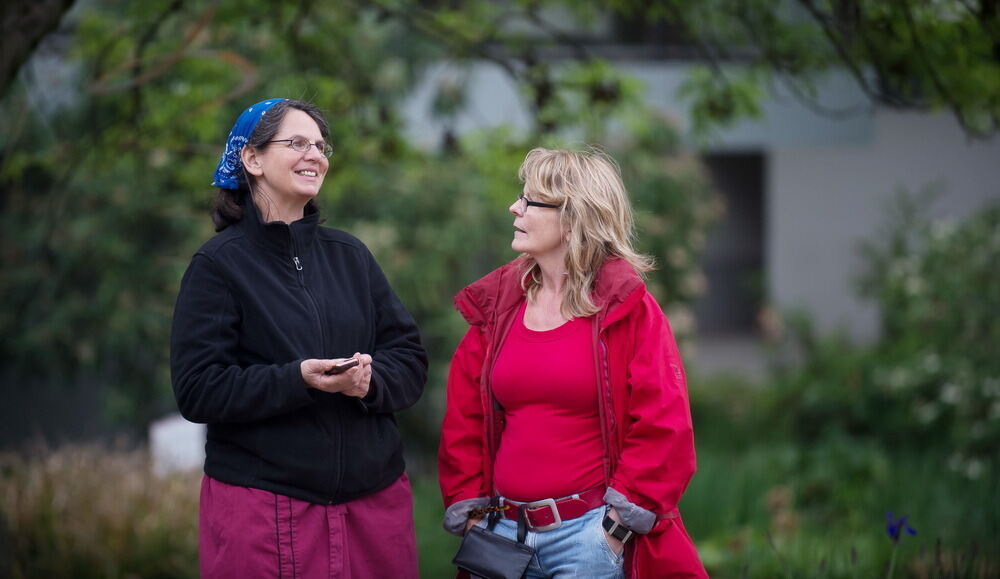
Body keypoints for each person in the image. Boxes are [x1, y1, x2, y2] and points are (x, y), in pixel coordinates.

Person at [171, 98, 427, 578]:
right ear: (253, 159)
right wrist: (298, 380)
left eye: (320, 145)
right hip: (265, 508)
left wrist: (368, 382)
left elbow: (409, 359)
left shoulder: (351, 256)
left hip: (373, 509)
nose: (315, 155)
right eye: (297, 143)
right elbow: (198, 389)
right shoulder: (218, 266)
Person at [438, 147, 707, 578]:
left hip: (588, 539)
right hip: (501, 536)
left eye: (529, 201)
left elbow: (664, 424)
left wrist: (614, 529)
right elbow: (464, 419)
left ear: (574, 216)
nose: (515, 207)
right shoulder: (498, 307)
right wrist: (472, 513)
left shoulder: (628, 309)